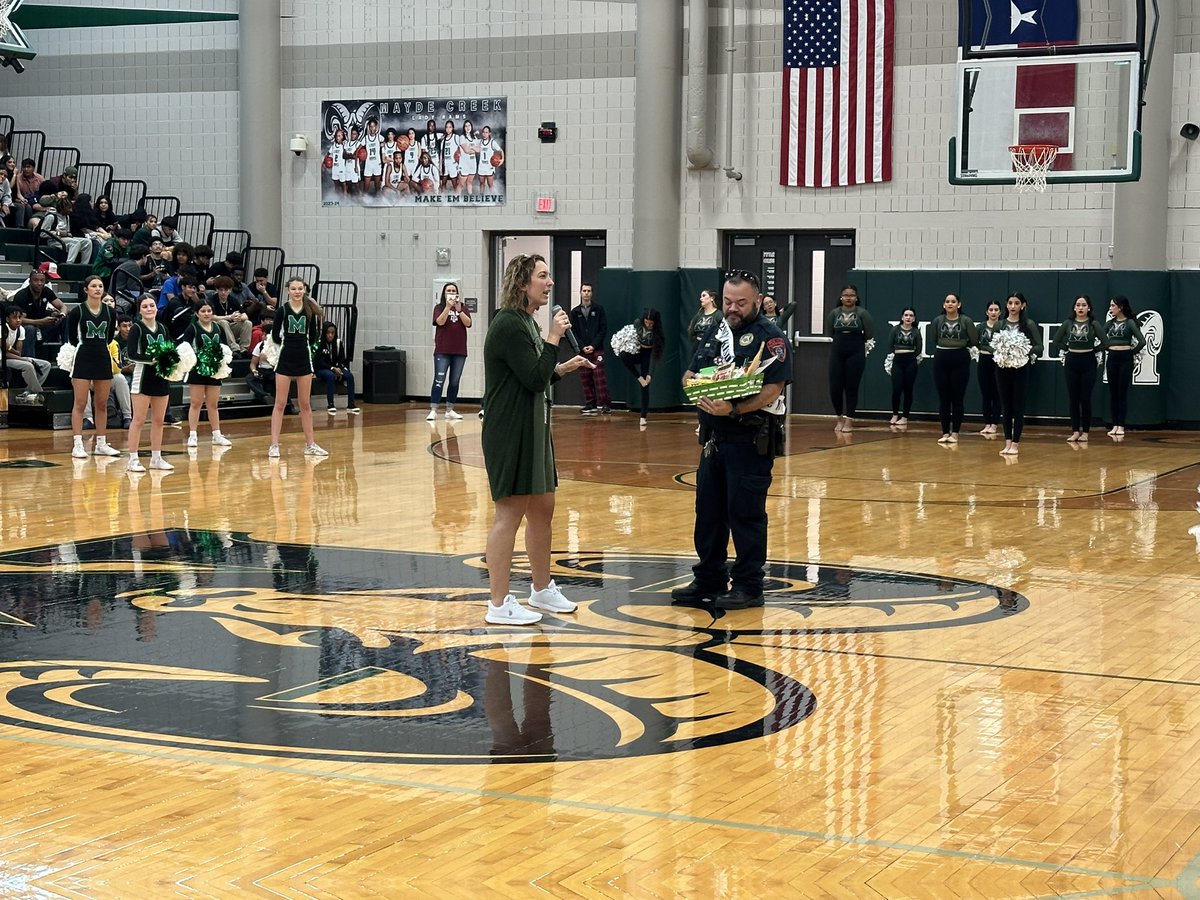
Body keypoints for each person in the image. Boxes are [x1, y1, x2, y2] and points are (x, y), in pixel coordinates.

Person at [480, 253, 593, 626]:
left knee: (543, 508)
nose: (550, 283)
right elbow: (531, 378)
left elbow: (536, 375)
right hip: (510, 431)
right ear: (522, 283)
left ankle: (541, 589)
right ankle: (498, 604)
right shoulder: (509, 325)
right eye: (543, 276)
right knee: (509, 515)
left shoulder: (526, 322)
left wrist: (562, 367)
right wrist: (555, 339)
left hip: (533, 428)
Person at [672, 271, 790, 610]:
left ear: (756, 300)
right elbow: (690, 372)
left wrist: (734, 409)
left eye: (740, 303)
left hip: (749, 439)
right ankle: (708, 577)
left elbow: (773, 389)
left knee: (745, 515)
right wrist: (695, 385)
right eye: (727, 302)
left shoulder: (771, 336)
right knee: (708, 513)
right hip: (713, 440)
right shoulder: (715, 330)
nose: (732, 308)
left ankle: (749, 586)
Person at [64, 276, 122, 460]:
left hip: (103, 358)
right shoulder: (77, 311)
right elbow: (72, 338)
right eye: (94, 286)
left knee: (102, 403)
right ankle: (78, 444)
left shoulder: (110, 312)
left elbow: (110, 338)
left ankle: (102, 444)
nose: (97, 289)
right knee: (80, 403)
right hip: (82, 357)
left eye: (100, 286)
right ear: (86, 289)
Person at [268, 278, 326, 458]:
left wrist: (305, 350)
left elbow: (315, 336)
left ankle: (310, 445)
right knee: (280, 403)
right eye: (293, 289)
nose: (297, 291)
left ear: (305, 290)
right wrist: (288, 344)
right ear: (287, 290)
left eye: (300, 288)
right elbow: (276, 336)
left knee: (305, 404)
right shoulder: (282, 310)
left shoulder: (310, 311)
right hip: (285, 358)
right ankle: (274, 445)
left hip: (303, 359)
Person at [124, 295, 175, 473]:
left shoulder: (163, 328)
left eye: (152, 305)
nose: (149, 309)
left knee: (159, 421)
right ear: (139, 310)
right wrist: (153, 359)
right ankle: (133, 459)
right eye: (145, 306)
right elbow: (131, 355)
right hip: (143, 377)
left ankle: (156, 458)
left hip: (161, 377)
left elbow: (169, 349)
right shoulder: (136, 328)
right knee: (138, 420)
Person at [1051, 295, 1105, 443]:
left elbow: (1105, 342)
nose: (1081, 308)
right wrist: (1068, 348)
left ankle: (1086, 432)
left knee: (1085, 398)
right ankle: (1075, 431)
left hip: (1088, 362)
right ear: (1074, 308)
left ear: (1089, 308)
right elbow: (1056, 341)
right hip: (1072, 361)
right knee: (1073, 399)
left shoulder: (1094, 324)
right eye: (1078, 305)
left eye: (1084, 305)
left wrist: (1093, 350)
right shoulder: (1068, 323)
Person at [181, 297, 233, 449]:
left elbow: (224, 348)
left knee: (213, 404)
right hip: (197, 370)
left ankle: (217, 435)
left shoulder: (219, 328)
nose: (206, 313)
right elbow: (185, 349)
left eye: (209, 310)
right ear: (197, 313)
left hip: (214, 370)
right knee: (196, 403)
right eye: (203, 311)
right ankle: (192, 435)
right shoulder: (192, 328)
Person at [927, 293, 978, 443]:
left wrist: (960, 347)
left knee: (957, 397)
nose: (950, 304)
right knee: (943, 398)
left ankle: (955, 432)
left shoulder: (966, 320)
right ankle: (944, 433)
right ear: (944, 305)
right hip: (941, 357)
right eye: (947, 302)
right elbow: (933, 339)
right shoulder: (937, 320)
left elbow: (974, 339)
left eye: (953, 301)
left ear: (959, 305)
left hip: (960, 358)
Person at [996, 292, 1042, 457]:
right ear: (1006, 305)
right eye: (1010, 303)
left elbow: (1039, 347)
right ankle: (1007, 442)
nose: (1013, 306)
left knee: (1018, 407)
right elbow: (991, 345)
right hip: (1002, 369)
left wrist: (1022, 349)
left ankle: (1015, 443)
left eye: (1017, 303)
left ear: (1023, 305)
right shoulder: (999, 324)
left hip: (1021, 369)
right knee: (1006, 407)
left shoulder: (1029, 324)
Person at [825, 284, 874, 432]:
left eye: (851, 295)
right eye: (845, 295)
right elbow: (830, 332)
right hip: (837, 350)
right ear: (841, 297)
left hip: (856, 350)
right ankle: (839, 418)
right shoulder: (834, 313)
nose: (848, 297)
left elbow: (869, 333)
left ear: (856, 298)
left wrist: (855, 341)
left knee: (851, 387)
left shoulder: (862, 313)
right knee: (835, 387)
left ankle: (849, 420)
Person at [426, 283, 472, 420]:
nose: (451, 293)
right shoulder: (439, 308)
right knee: (439, 379)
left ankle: (450, 409)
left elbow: (468, 323)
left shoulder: (463, 307)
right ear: (444, 293)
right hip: (442, 350)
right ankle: (434, 409)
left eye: (453, 291)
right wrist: (447, 307)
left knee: (454, 381)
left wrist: (459, 310)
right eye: (448, 291)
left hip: (459, 351)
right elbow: (439, 322)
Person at [1103, 295, 1146, 438]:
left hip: (1125, 358)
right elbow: (1101, 336)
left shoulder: (1130, 323)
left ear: (1120, 307)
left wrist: (1131, 352)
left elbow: (1142, 341)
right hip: (1112, 358)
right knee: (1113, 392)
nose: (1110, 308)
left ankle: (1121, 425)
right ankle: (1114, 424)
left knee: (1122, 392)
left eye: (1112, 306)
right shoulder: (1110, 323)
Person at [619, 307, 665, 428]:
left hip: (648, 355)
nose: (649, 325)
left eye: (651, 323)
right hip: (636, 350)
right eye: (647, 322)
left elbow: (655, 356)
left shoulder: (658, 333)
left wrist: (650, 373)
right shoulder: (637, 323)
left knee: (645, 385)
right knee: (623, 355)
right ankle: (638, 377)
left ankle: (643, 416)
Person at [569, 282, 610, 415]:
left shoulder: (599, 309)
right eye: (584, 291)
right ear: (580, 293)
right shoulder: (575, 312)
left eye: (588, 291)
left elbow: (603, 329)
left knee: (599, 376)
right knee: (585, 377)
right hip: (582, 350)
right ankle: (590, 403)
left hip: (597, 349)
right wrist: (582, 346)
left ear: (592, 293)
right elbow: (573, 331)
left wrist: (593, 345)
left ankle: (605, 404)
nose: (586, 293)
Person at [2, 303, 50, 400]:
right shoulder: (1, 329)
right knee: (28, 365)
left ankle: (28, 392)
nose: (18, 320)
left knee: (46, 365)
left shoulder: (21, 329)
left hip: (12, 356)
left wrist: (10, 348)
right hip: (2, 358)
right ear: (7, 319)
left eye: (20, 317)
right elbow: (4, 353)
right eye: (14, 318)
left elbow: (18, 352)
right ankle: (40, 394)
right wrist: (21, 357)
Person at [885, 306, 922, 428]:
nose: (908, 317)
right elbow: (890, 346)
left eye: (911, 315)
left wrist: (910, 355)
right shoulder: (895, 330)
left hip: (910, 361)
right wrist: (895, 355)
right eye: (906, 315)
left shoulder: (916, 331)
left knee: (908, 390)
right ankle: (895, 414)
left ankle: (905, 416)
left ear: (914, 318)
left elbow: (919, 348)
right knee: (896, 389)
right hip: (898, 361)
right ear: (902, 317)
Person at [314, 321, 359, 414]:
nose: (330, 335)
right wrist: (332, 369)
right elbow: (319, 362)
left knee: (350, 376)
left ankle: (351, 404)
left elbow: (342, 359)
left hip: (335, 368)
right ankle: (330, 404)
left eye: (332, 333)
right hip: (321, 369)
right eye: (328, 333)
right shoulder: (319, 343)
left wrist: (339, 368)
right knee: (330, 376)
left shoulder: (338, 343)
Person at [976, 301, 1003, 435]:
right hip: (984, 360)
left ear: (1000, 312)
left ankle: (994, 424)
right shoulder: (980, 327)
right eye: (991, 310)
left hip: (997, 361)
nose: (993, 312)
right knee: (985, 393)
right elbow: (975, 342)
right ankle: (987, 423)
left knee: (996, 393)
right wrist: (984, 349)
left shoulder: (1003, 326)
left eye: (996, 310)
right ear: (987, 312)